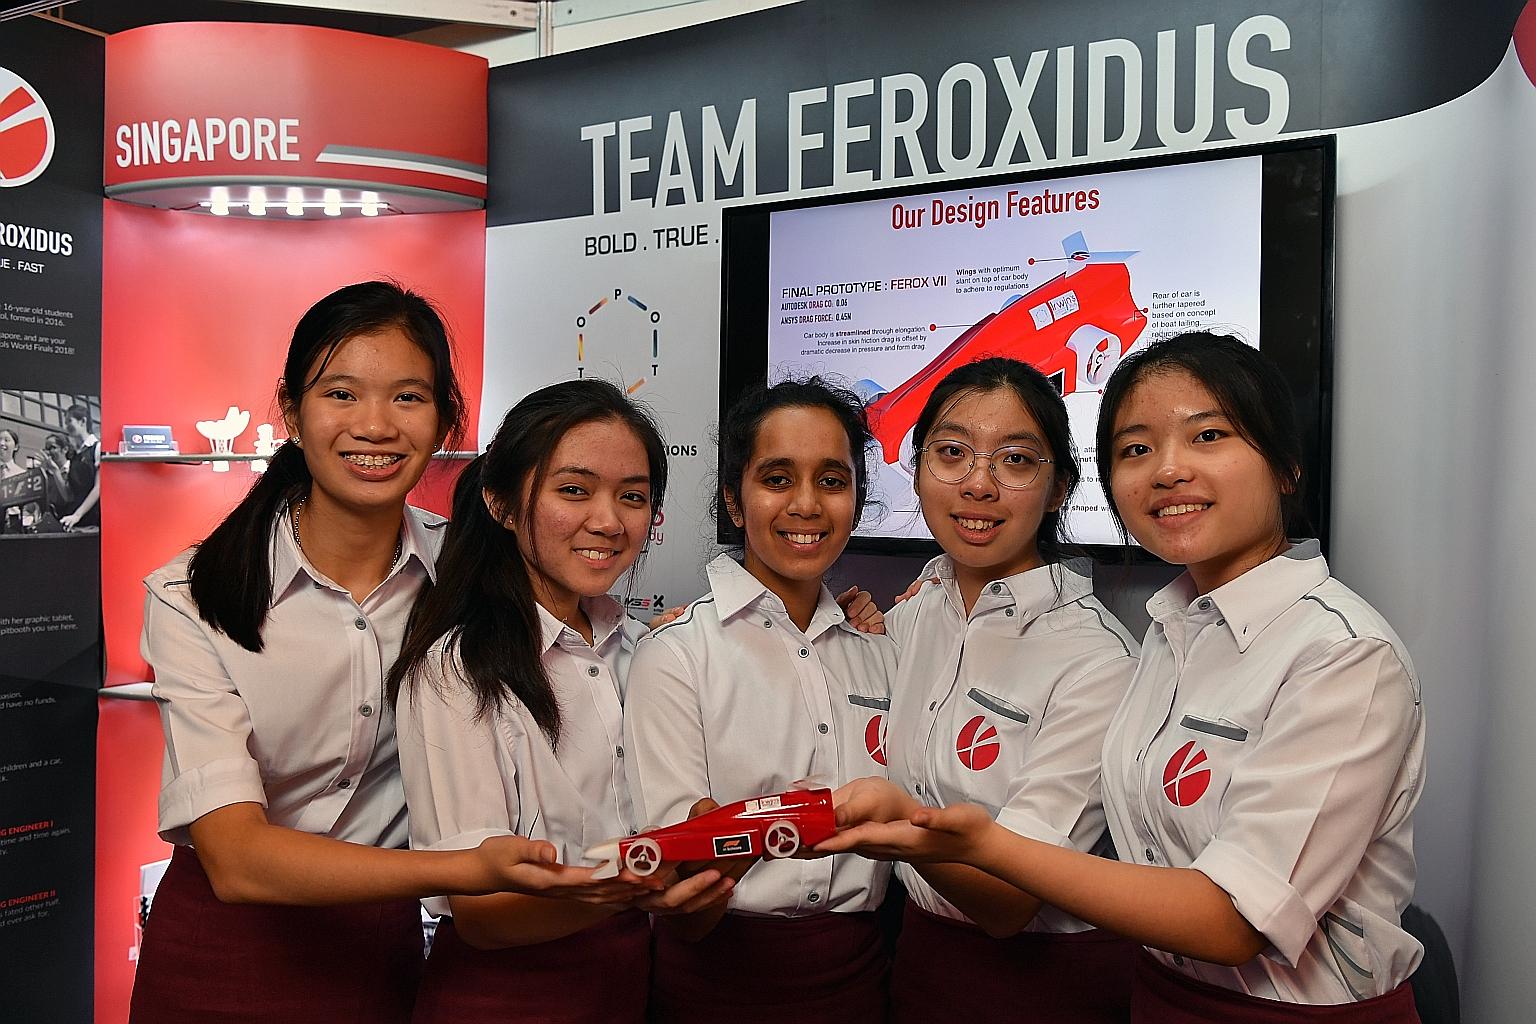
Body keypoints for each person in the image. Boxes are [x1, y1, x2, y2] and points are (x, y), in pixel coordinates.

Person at [821, 333, 1425, 1022]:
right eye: (1137, 449)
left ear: (1287, 466)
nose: (1168, 471)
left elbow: (1233, 921)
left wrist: (973, 842)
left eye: (1208, 436)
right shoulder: (1172, 635)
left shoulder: (1342, 655)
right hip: (1152, 995)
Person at [131, 283, 650, 1024]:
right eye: (340, 393)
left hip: (385, 956)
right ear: (290, 408)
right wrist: (465, 870)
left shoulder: (470, 572)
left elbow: (589, 620)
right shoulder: (194, 593)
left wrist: (845, 613)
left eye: (408, 397)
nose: (374, 426)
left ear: (446, 419)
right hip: (223, 950)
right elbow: (237, 858)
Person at [390, 379, 733, 1023]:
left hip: (632, 987)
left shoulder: (641, 650)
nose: (607, 521)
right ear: (500, 502)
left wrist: (706, 870)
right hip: (502, 1001)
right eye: (573, 490)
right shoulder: (454, 668)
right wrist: (632, 888)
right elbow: (485, 915)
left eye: (632, 497)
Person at [834, 357, 1140, 1022]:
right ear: (916, 470)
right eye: (951, 452)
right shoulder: (916, 614)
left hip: (1046, 986)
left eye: (1016, 460)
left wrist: (891, 818)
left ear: (1059, 487)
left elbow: (1009, 901)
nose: (978, 483)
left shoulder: (1097, 660)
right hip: (911, 958)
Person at [623, 376, 900, 1024]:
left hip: (864, 980)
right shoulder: (678, 655)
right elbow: (680, 866)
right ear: (734, 499)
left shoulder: (879, 652)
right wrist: (778, 829)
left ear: (857, 500)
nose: (806, 504)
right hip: (716, 985)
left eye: (832, 481)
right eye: (777, 478)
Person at [58, 403, 100, 530]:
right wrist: (54, 470)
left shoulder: (97, 448)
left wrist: (77, 515)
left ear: (83, 421)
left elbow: (99, 487)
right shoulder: (74, 455)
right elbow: (69, 496)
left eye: (69, 421)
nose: (67, 426)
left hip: (94, 521)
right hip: (77, 523)